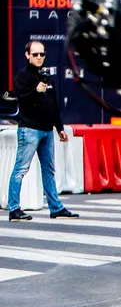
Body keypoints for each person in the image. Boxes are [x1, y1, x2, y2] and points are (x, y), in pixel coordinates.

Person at [7, 41, 77, 221]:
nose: (39, 58)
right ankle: (14, 208)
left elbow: (53, 105)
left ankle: (56, 208)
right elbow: (21, 100)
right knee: (21, 169)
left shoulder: (47, 76)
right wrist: (35, 91)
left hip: (46, 130)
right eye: (35, 54)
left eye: (42, 54)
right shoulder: (23, 76)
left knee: (49, 170)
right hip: (29, 129)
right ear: (27, 55)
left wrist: (59, 128)